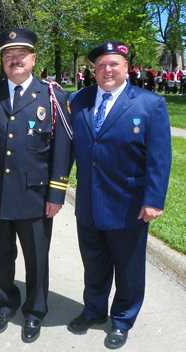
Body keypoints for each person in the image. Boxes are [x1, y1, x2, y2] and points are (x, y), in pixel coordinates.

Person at [0, 28, 72, 343]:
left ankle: (35, 311)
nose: (14, 60)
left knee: (36, 258)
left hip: (35, 195)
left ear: (33, 58)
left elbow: (63, 149)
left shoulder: (52, 95)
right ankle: (5, 302)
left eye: (20, 55)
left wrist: (56, 193)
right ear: (2, 61)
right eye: (8, 56)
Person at [67, 41, 171, 350]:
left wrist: (154, 200)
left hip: (128, 204)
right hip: (88, 202)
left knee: (128, 268)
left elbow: (159, 158)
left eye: (113, 64)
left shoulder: (149, 104)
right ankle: (94, 310)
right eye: (100, 65)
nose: (107, 70)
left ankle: (123, 319)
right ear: (93, 71)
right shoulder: (78, 100)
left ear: (126, 67)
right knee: (94, 263)